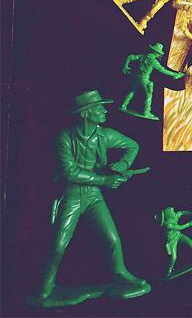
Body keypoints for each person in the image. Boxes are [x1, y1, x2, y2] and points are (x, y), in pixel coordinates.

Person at [35, 90, 149, 301]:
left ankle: (120, 273)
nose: (105, 111)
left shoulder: (105, 135)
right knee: (59, 242)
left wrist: (123, 164)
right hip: (71, 195)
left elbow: (133, 145)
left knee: (111, 238)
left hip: (94, 196)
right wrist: (104, 180)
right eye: (99, 107)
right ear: (85, 113)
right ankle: (46, 285)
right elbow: (69, 171)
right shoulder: (64, 137)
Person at [121, 43, 185, 119]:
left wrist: (125, 66)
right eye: (159, 53)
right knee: (148, 95)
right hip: (144, 78)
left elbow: (130, 57)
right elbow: (162, 70)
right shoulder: (153, 61)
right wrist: (174, 74)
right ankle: (147, 112)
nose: (159, 55)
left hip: (135, 76)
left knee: (132, 91)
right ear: (156, 52)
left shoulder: (142, 56)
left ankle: (123, 105)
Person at [156, 207, 192, 278]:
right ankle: (169, 271)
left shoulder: (174, 216)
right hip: (171, 240)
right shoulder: (167, 224)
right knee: (173, 257)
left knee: (191, 243)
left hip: (178, 235)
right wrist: (190, 224)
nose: (174, 213)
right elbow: (179, 227)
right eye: (172, 212)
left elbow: (182, 212)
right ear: (168, 215)